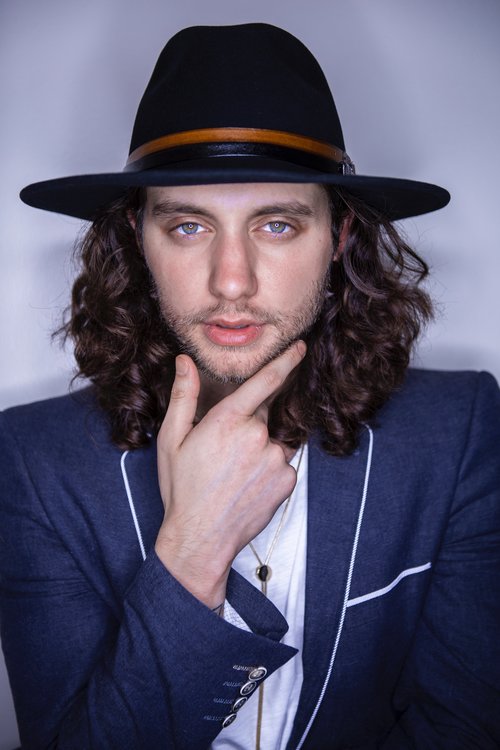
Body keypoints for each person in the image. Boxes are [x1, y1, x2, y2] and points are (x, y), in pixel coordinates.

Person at [1, 21, 499, 750]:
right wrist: (193, 550)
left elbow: (464, 729)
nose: (231, 282)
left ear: (339, 238)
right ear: (138, 239)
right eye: (189, 227)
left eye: (276, 226)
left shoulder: (459, 434)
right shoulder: (31, 461)